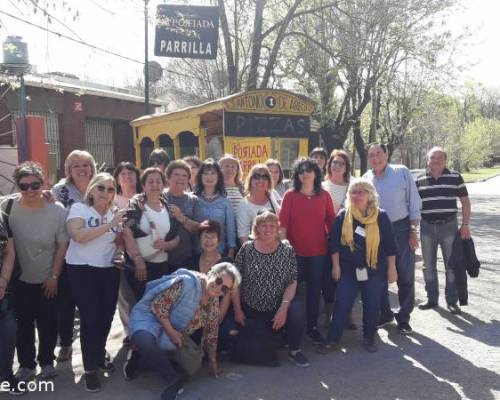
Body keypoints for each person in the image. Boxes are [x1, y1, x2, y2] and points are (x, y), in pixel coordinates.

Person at [124, 264, 241, 400]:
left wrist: (212, 361)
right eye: (219, 281)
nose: (219, 288)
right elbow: (158, 305)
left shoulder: (213, 304)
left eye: (225, 289)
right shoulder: (188, 282)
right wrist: (172, 332)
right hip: (151, 318)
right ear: (212, 273)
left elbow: (211, 333)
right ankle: (173, 381)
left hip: (174, 332)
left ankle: (138, 360)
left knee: (190, 368)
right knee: (145, 341)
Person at [1, 162, 68, 381]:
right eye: (24, 186)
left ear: (43, 183)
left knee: (49, 322)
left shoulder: (56, 210)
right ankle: (26, 365)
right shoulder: (7, 208)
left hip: (48, 277)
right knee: (24, 324)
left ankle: (47, 361)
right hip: (19, 279)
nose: (30, 190)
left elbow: (62, 246)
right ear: (17, 185)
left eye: (35, 185)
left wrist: (54, 276)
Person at [65, 173, 126, 392]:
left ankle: (99, 353)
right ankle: (90, 369)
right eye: (101, 188)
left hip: (109, 269)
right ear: (91, 190)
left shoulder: (114, 212)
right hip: (82, 269)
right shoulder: (79, 210)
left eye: (111, 189)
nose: (106, 193)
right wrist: (111, 223)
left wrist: (120, 251)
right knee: (90, 317)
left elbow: (119, 240)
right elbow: (78, 236)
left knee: (107, 315)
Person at [324, 178, 397, 352]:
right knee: (342, 303)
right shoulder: (343, 215)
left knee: (372, 304)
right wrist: (335, 266)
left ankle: (369, 338)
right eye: (353, 192)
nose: (356, 196)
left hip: (374, 270)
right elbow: (333, 243)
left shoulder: (381, 216)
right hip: (348, 270)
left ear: (370, 195)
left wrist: (392, 268)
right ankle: (332, 340)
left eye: (361, 191)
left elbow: (390, 245)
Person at [232, 210, 310, 367]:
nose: (268, 229)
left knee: (297, 310)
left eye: (272, 226)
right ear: (257, 228)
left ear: (277, 229)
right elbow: (235, 281)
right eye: (263, 225)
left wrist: (283, 307)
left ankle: (294, 350)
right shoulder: (247, 249)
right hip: (251, 307)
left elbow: (292, 281)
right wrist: (237, 309)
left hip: (278, 305)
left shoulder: (287, 250)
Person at [363, 143, 421, 335]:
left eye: (378, 153)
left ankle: (404, 318)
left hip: (401, 228)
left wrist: (413, 230)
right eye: (371, 155)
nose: (375, 158)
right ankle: (386, 314)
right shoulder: (365, 179)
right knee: (378, 275)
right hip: (375, 231)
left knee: (405, 275)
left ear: (386, 154)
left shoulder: (401, 172)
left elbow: (414, 203)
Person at [279, 158, 336, 345]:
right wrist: (284, 249)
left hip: (318, 253)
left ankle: (312, 328)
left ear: (316, 173)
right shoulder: (290, 195)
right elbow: (283, 226)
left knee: (313, 292)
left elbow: (332, 222)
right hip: (294, 254)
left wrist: (337, 246)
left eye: (308, 170)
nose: (305, 174)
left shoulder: (324, 196)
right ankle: (288, 329)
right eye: (301, 171)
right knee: (291, 292)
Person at [51, 149, 97, 363]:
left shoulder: (99, 187)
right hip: (68, 254)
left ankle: (96, 346)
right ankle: (66, 344)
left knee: (92, 303)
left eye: (85, 164)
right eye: (76, 165)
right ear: (69, 169)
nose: (81, 168)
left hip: (95, 253)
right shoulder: (60, 191)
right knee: (66, 301)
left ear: (92, 167)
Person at [415, 146, 471, 314]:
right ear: (428, 161)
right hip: (426, 227)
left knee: (451, 264)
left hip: (449, 226)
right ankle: (432, 298)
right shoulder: (419, 180)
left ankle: (452, 300)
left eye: (440, 157)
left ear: (445, 160)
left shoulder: (455, 177)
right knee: (428, 266)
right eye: (433, 157)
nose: (436, 160)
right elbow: (412, 206)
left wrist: (465, 225)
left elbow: (465, 202)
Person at [123, 168, 180, 300]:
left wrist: (167, 245)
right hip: (141, 267)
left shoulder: (169, 209)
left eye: (158, 182)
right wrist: (137, 259)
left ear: (163, 185)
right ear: (143, 185)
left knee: (160, 306)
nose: (155, 185)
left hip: (163, 266)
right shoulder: (135, 207)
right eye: (150, 182)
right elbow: (126, 233)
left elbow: (177, 237)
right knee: (142, 305)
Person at [113, 162, 142, 347]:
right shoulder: (112, 199)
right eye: (122, 173)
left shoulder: (143, 198)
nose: (126, 176)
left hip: (145, 253)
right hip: (121, 254)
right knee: (124, 296)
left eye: (130, 172)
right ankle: (129, 332)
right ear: (117, 178)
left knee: (141, 294)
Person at [0, 201, 24, 394]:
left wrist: (3, 279)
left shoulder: (2, 216)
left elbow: (9, 251)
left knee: (7, 332)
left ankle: (6, 376)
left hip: (3, 289)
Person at [162, 160, 204, 271]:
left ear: (188, 180)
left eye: (184, 175)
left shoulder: (193, 200)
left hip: (187, 258)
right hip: (161, 257)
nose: (180, 178)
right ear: (168, 178)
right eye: (176, 175)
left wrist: (182, 218)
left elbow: (199, 228)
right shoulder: (159, 197)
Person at [194, 159, 236, 258]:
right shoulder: (193, 200)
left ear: (218, 177)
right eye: (205, 173)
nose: (209, 177)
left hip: (220, 254)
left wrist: (230, 253)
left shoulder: (226, 202)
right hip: (197, 255)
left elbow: (231, 230)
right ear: (200, 176)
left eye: (213, 173)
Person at [236, 164, 280, 245]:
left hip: (275, 247)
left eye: (264, 177)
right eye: (256, 176)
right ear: (250, 180)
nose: (260, 180)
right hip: (256, 249)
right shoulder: (244, 205)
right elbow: (243, 235)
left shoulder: (272, 194)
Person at [322, 149, 351, 214]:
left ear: (346, 168)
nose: (337, 166)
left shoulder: (351, 188)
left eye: (342, 164)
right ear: (329, 165)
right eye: (335, 162)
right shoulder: (321, 187)